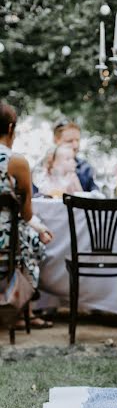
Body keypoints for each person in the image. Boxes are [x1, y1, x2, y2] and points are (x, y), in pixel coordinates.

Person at [0, 103, 53, 329]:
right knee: (35, 244)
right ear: (11, 128)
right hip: (5, 241)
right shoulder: (16, 162)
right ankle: (22, 312)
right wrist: (41, 229)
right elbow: (26, 212)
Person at [33, 119, 98, 194]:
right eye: (69, 141)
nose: (75, 145)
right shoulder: (41, 169)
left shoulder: (86, 168)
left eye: (77, 140)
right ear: (56, 140)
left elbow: (96, 197)